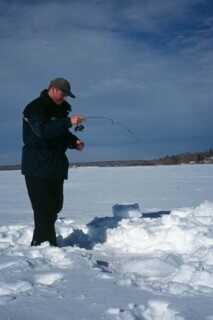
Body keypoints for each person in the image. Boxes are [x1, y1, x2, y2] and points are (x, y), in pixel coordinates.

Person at [21, 78, 85, 246]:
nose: (64, 98)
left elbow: (60, 133)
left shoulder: (61, 110)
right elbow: (42, 131)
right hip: (36, 165)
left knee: (55, 205)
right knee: (43, 208)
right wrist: (68, 121)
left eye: (66, 95)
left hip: (55, 165)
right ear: (53, 89)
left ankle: (46, 242)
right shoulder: (35, 107)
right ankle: (43, 244)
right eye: (63, 93)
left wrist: (74, 142)